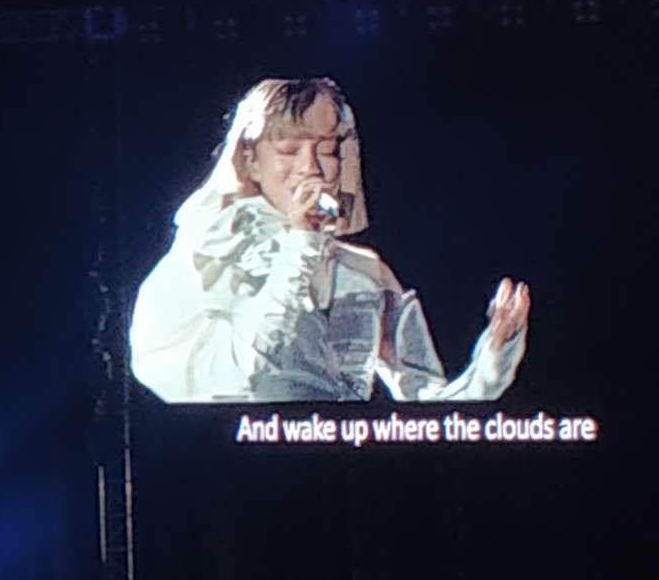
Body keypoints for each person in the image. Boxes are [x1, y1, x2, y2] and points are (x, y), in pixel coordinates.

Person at [129, 78, 530, 403]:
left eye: (327, 150)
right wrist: (301, 243)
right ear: (250, 160)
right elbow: (242, 375)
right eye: (289, 150)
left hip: (342, 462)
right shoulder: (210, 255)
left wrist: (494, 356)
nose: (311, 167)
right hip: (241, 463)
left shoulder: (364, 270)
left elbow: (427, 407)